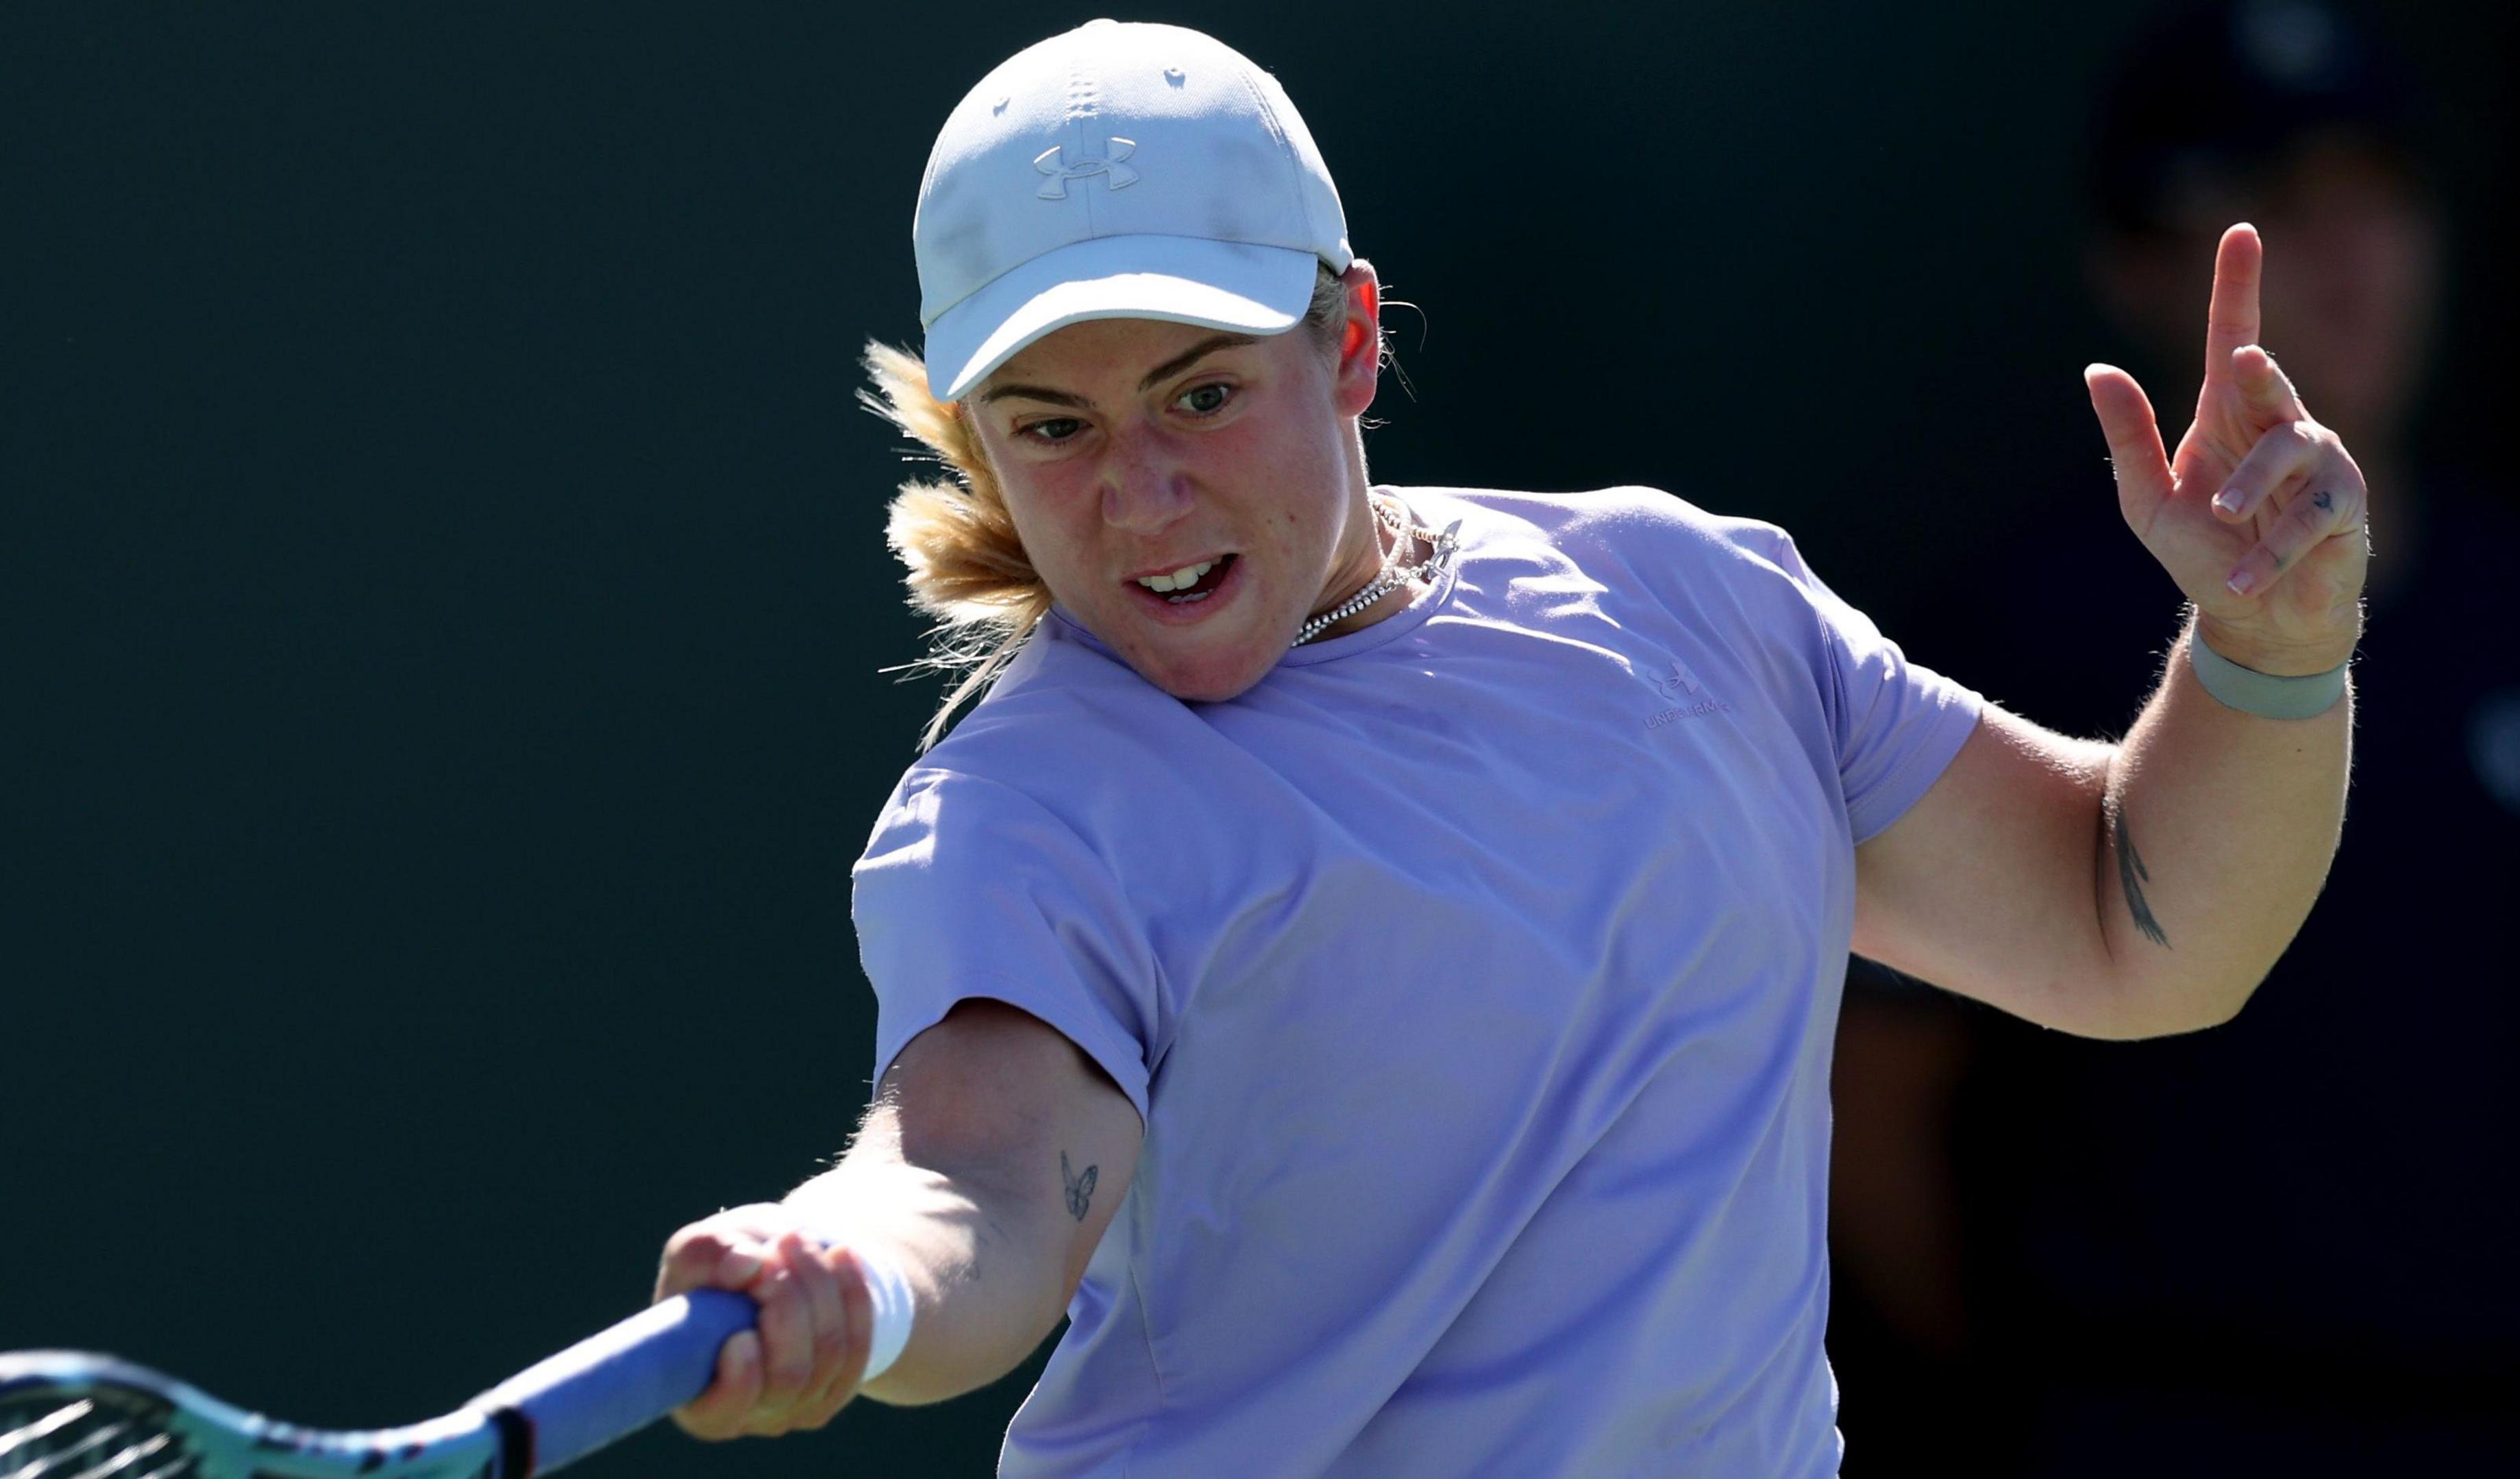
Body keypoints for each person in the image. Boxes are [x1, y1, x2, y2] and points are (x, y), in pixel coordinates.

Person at [647, 18, 2369, 1476]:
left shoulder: (1692, 597)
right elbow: (984, 1179)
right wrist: (850, 1273)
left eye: (1199, 394)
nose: (1138, 496)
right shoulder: (1024, 809)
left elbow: (2130, 922)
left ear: (1351, 342)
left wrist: (2267, 658)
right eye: (1053, 428)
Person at [1825, 3, 2520, 1472]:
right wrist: (2022, 1402)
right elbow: (1877, 1090)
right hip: (2145, 1415)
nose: (2347, 255)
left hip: (2493, 1421)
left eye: (2379, 195)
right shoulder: (2005, 631)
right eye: (2275, 210)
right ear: (2138, 267)